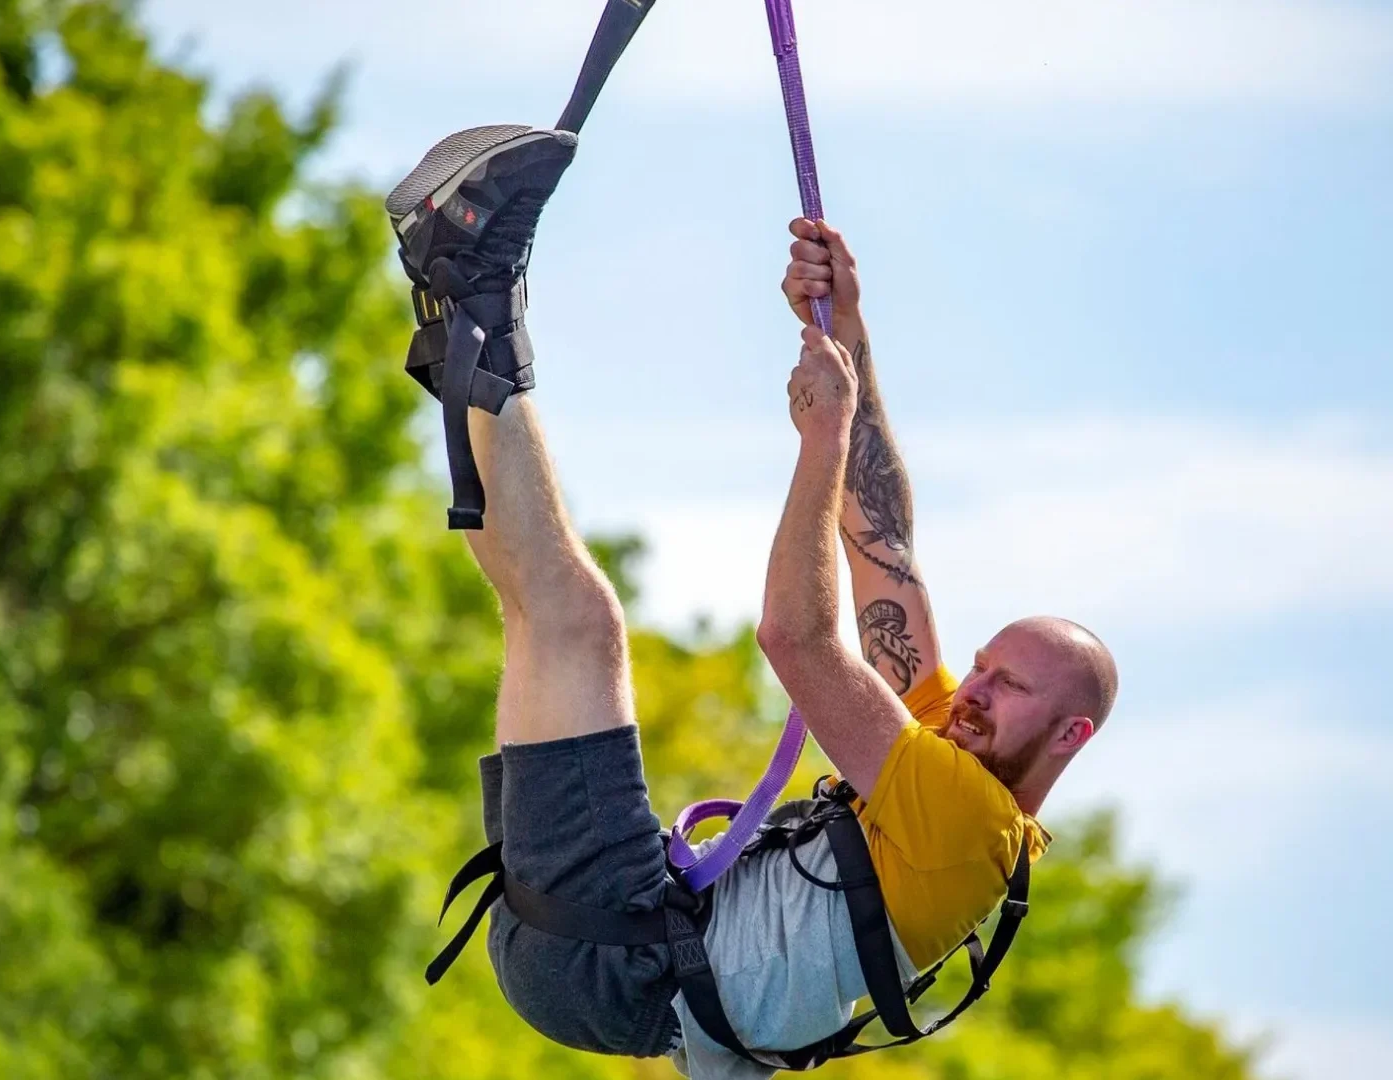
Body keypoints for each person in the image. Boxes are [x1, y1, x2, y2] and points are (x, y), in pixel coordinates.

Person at [388, 126, 1118, 1078]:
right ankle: (461, 306)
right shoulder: (951, 741)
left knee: (581, 624)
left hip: (622, 955)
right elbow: (883, 541)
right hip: (603, 943)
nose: (971, 688)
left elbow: (798, 639)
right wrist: (847, 336)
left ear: (1069, 735)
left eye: (1009, 686)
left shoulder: (967, 823)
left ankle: (473, 275)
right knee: (542, 614)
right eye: (981, 664)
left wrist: (819, 439)